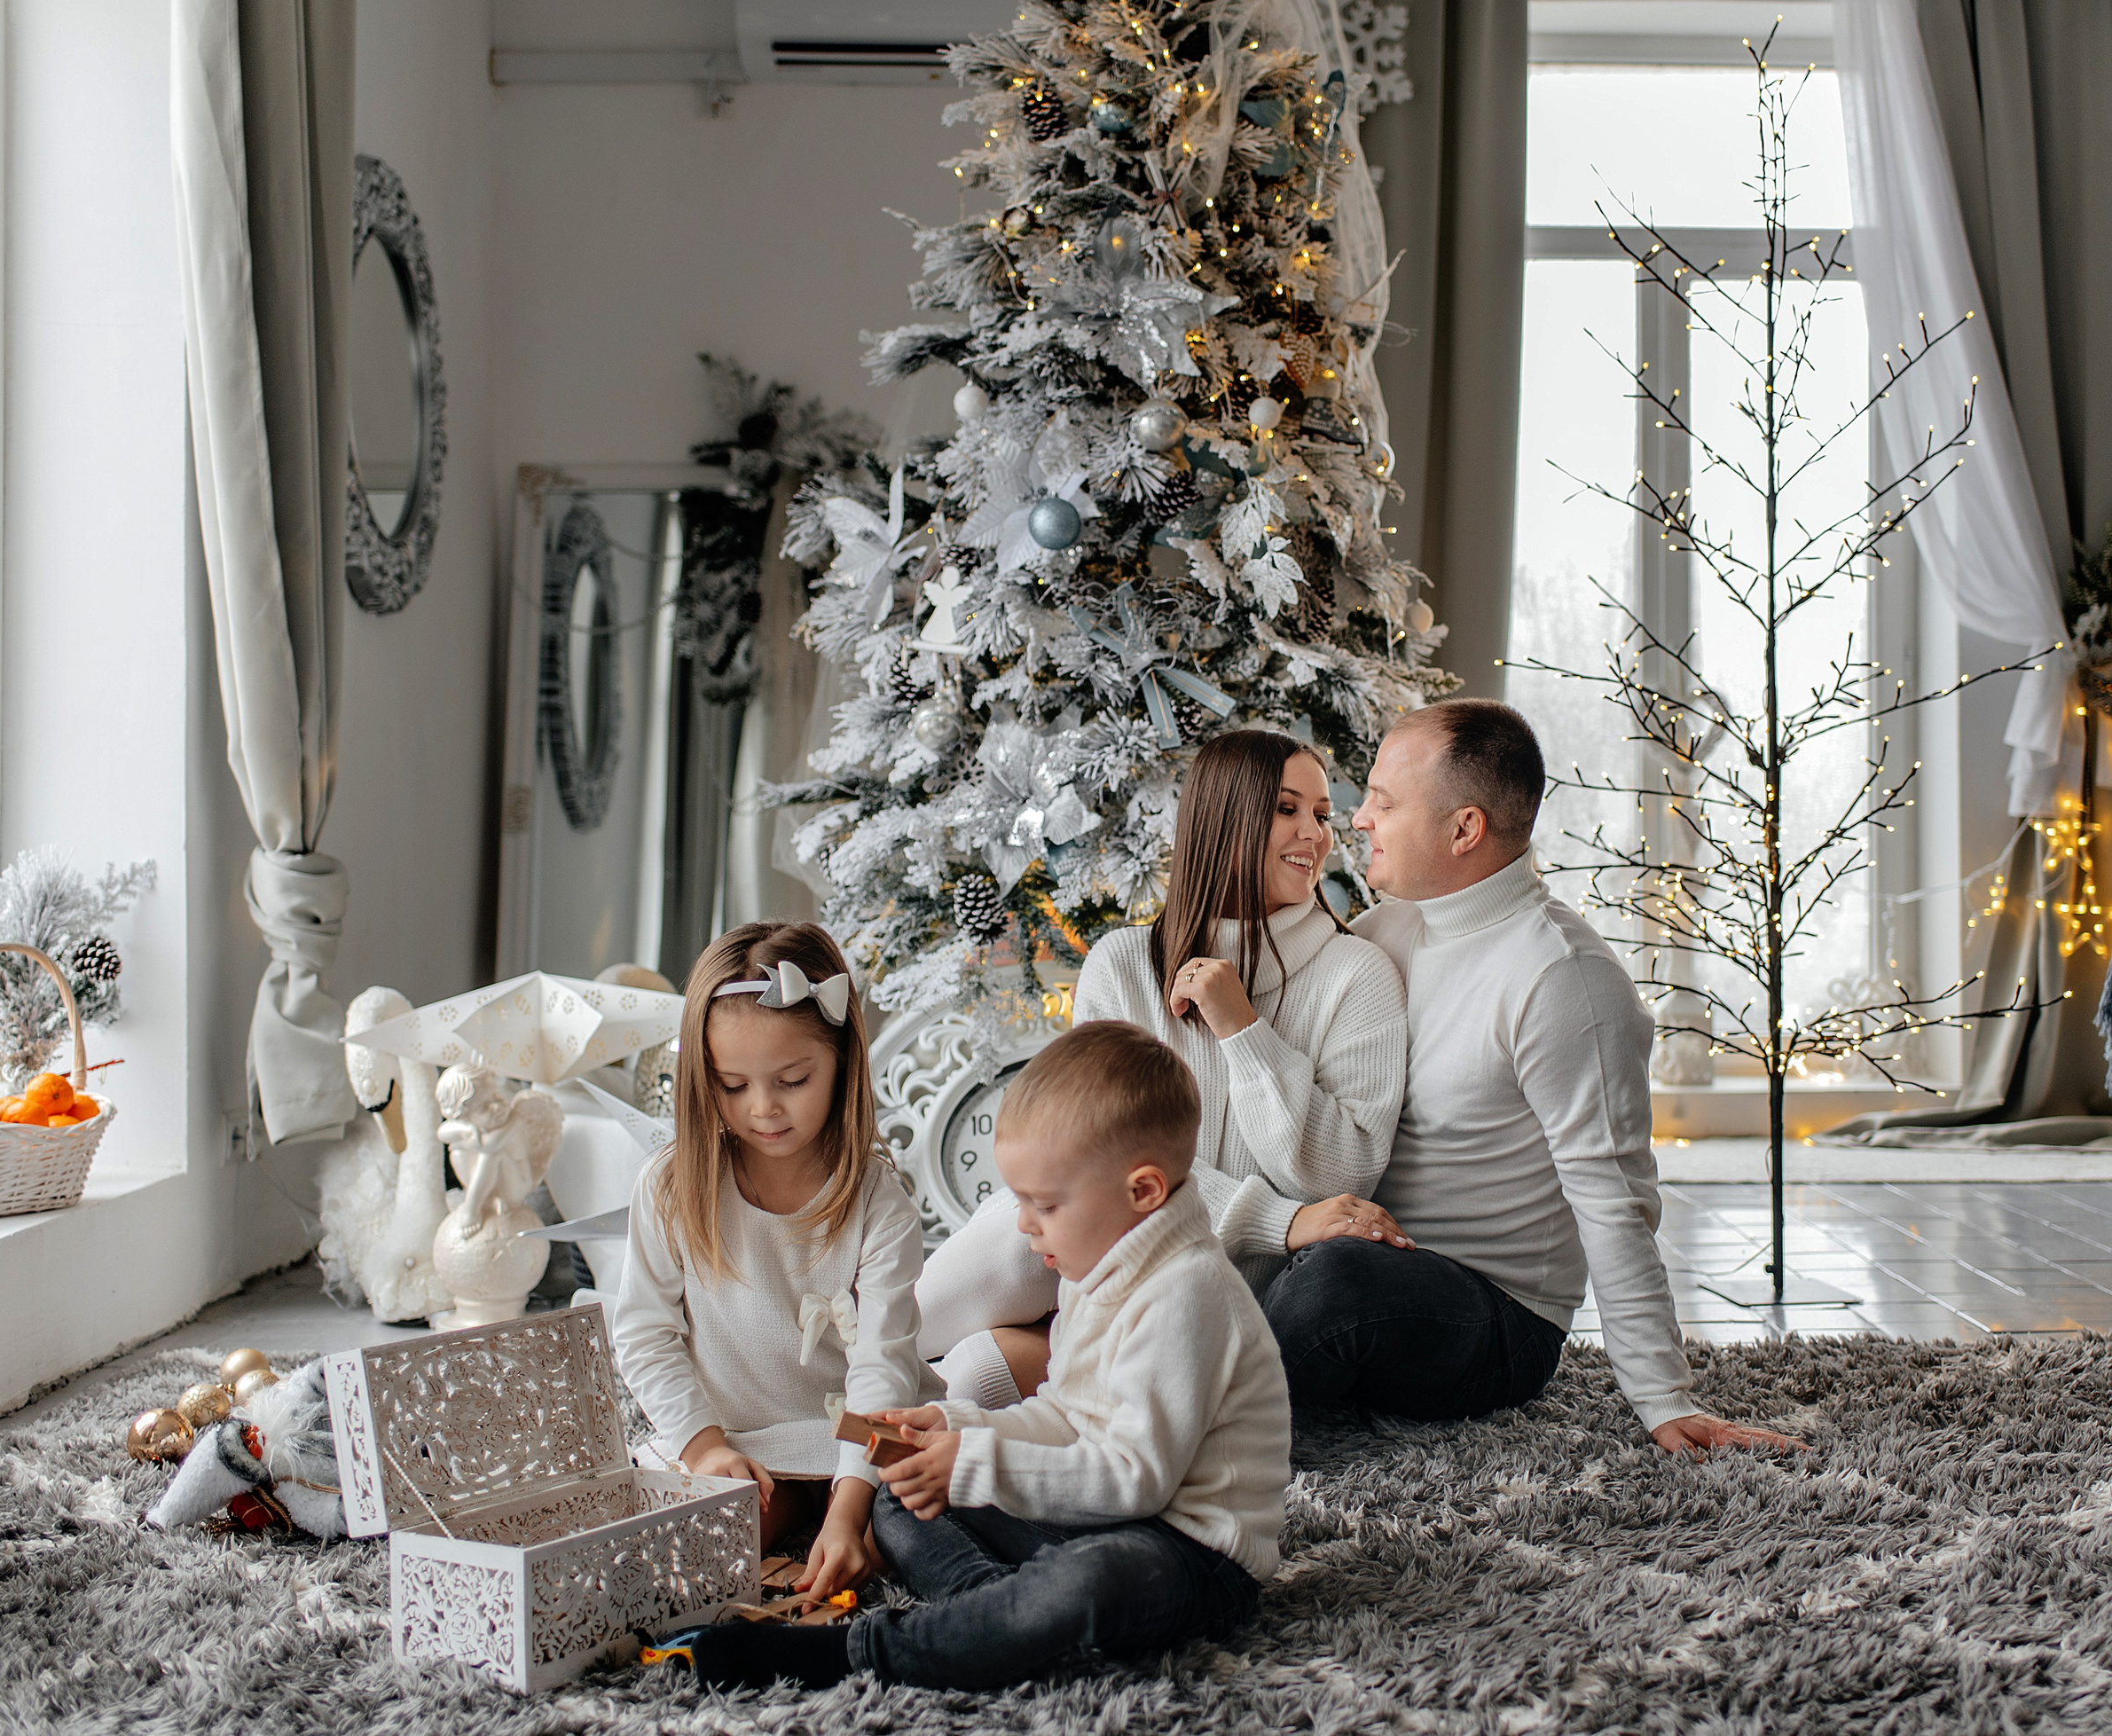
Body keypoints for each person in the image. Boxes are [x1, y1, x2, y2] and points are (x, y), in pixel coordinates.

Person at [677, 1021, 1292, 1692]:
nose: (1024, 1224)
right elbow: (1066, 1416)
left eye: (1044, 1205)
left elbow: (1134, 1478)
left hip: (1191, 1550)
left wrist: (976, 1463)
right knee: (900, 1497)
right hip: (1099, 1513)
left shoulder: (1186, 1295)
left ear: (1141, 1192)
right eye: (1019, 1201)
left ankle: (865, 1652)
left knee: (1090, 1581)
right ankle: (997, 1613)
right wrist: (963, 1428)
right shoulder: (1102, 1267)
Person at [1288, 696, 1794, 1457]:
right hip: (1358, 1254)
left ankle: (1165, 1429)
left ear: (1464, 829)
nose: (1357, 820)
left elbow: (1615, 1201)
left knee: (1335, 1285)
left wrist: (1663, 1399)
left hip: (1493, 1320)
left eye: (1385, 802)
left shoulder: (1565, 979)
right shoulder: (1380, 935)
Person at [917, 729, 1409, 1402]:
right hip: (1097, 1245)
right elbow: (1093, 1158)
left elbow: (1340, 1176)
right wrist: (1278, 1219)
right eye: (1286, 809)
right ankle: (820, 1422)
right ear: (1223, 820)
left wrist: (1243, 1030)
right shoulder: (1121, 966)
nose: (1315, 835)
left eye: (1322, 815)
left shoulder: (1358, 975)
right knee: (1015, 1229)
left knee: (974, 1375)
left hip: (1214, 1293)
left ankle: (839, 1440)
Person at [612, 921, 942, 1599]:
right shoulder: (671, 1188)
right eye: (732, 1086)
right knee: (680, 1558)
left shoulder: (877, 1201)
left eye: (792, 1080)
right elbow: (645, 1334)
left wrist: (850, 1511)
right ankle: (799, 1508)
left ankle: (846, 1511)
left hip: (860, 1433)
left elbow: (882, 1372)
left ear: (842, 1063)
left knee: (918, 1529)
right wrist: (703, 1446)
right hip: (739, 1438)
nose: (762, 1109)